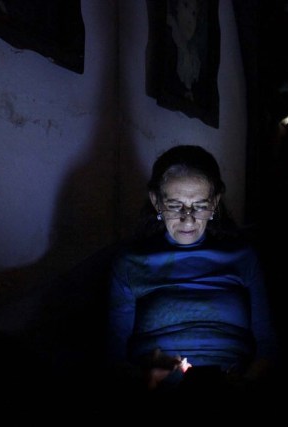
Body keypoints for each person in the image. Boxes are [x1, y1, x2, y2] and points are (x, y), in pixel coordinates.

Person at [106, 145, 277, 398]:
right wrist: (144, 377)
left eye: (199, 206)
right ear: (156, 202)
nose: (188, 219)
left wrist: (247, 384)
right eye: (175, 206)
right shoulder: (131, 263)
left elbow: (268, 346)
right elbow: (113, 357)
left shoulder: (243, 257)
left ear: (216, 202)